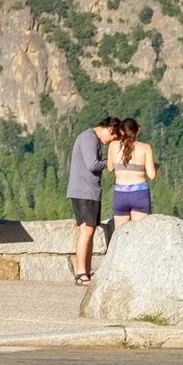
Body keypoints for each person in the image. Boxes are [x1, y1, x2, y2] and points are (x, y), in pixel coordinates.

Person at [68, 117, 114, 284]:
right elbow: (92, 164)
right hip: (85, 192)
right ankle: (81, 273)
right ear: (109, 129)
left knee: (88, 232)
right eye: (113, 138)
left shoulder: (88, 137)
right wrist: (111, 163)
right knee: (87, 232)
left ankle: (85, 271)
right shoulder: (89, 138)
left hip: (84, 191)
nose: (110, 143)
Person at [108, 117, 156, 221]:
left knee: (120, 235)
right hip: (139, 194)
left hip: (121, 193)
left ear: (121, 131)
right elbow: (152, 175)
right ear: (137, 131)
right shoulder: (145, 148)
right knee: (139, 234)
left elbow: (110, 167)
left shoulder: (113, 145)